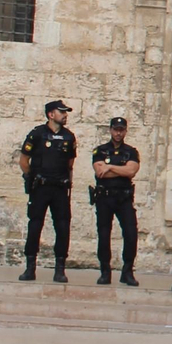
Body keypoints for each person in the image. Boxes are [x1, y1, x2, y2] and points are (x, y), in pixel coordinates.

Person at [17, 100, 77, 283]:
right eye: (61, 112)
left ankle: (60, 269)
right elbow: (24, 160)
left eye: (65, 112)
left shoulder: (69, 137)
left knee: (63, 227)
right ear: (51, 114)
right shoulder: (37, 134)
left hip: (59, 187)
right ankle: (30, 268)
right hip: (41, 187)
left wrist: (68, 182)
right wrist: (32, 178)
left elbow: (70, 164)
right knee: (35, 225)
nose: (65, 115)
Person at [88, 115, 140, 287]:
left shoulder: (131, 151)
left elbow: (131, 171)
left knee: (131, 233)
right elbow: (100, 172)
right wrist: (119, 169)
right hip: (105, 197)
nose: (118, 133)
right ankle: (105, 271)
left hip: (124, 197)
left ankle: (127, 271)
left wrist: (110, 166)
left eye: (121, 130)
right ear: (110, 130)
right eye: (115, 129)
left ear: (125, 131)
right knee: (104, 234)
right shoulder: (100, 150)